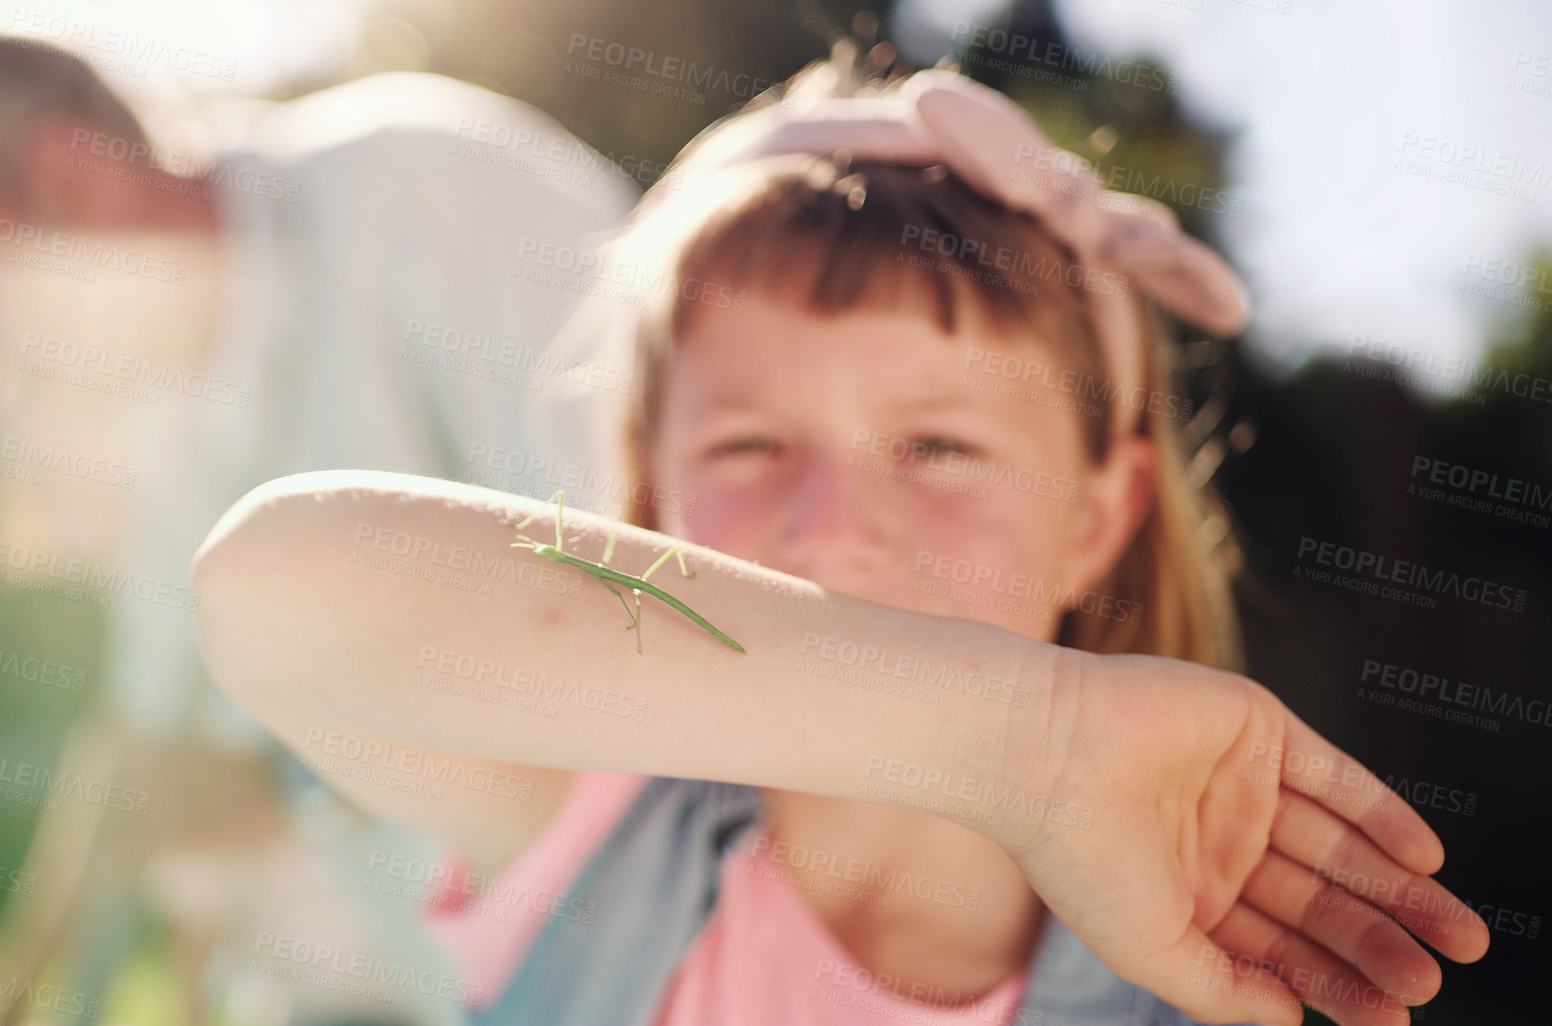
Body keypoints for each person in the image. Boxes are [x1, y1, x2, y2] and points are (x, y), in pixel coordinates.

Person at [190, 59, 1492, 1026]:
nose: (833, 524)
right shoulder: (587, 830)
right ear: (644, 507)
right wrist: (1021, 740)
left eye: (937, 449)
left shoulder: (1180, 978)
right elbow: (270, 588)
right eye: (749, 446)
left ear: (1095, 520)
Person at [0, 12, 636, 1023]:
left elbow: (651, 602)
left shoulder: (428, 195)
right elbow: (146, 766)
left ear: (71, 178)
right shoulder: (147, 429)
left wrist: (283, 788)